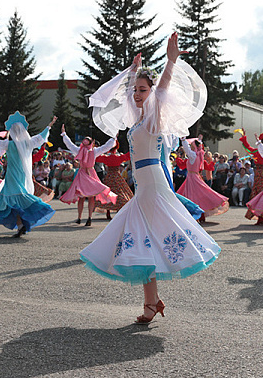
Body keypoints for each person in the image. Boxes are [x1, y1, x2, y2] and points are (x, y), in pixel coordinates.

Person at [81, 33, 220, 323]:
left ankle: (151, 302)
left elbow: (163, 89)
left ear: (152, 91)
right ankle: (152, 302)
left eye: (142, 90)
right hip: (142, 183)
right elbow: (125, 98)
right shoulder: (136, 120)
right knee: (144, 242)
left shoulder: (155, 119)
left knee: (145, 239)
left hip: (153, 184)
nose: (137, 94)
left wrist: (170, 62)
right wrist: (132, 74)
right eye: (136, 91)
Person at [0, 114, 56, 237]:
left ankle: (22, 225)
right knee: (16, 200)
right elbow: (41, 137)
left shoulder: (10, 144)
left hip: (13, 175)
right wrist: (49, 126)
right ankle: (20, 226)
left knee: (15, 199)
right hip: (21, 174)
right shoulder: (27, 143)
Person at [60, 127, 117, 226]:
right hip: (90, 173)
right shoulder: (94, 151)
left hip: (82, 174)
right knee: (91, 197)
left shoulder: (79, 150)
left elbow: (69, 145)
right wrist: (113, 138)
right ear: (92, 143)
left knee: (81, 197)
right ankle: (89, 217)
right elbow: (106, 147)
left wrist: (64, 134)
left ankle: (79, 217)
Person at [177, 136, 229, 222]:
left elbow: (187, 150)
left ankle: (194, 214)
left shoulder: (193, 155)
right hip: (195, 177)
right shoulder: (198, 155)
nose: (190, 147)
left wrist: (183, 140)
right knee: (198, 195)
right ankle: (198, 215)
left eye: (192, 145)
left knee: (192, 195)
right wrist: (199, 140)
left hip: (192, 178)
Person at [239, 128, 263, 225]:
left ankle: (261, 217)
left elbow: (247, 147)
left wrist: (243, 137)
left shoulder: (256, 152)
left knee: (258, 195)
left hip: (258, 174)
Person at [95, 141, 133, 220]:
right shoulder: (119, 157)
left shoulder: (106, 158)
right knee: (120, 192)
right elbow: (128, 156)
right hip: (117, 176)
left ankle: (108, 212)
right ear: (116, 148)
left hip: (109, 176)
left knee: (108, 194)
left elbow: (97, 158)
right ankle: (120, 210)